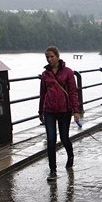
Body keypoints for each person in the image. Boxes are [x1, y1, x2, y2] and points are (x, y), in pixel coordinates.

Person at [38, 46, 81, 181]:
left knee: (64, 138)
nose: (49, 59)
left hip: (64, 110)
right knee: (51, 139)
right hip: (49, 110)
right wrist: (40, 111)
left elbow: (73, 92)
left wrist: (76, 110)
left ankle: (70, 155)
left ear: (57, 56)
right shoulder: (45, 74)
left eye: (51, 56)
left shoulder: (68, 72)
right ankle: (52, 170)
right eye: (47, 57)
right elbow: (42, 93)